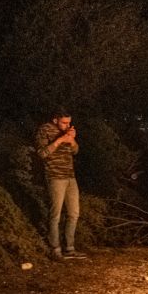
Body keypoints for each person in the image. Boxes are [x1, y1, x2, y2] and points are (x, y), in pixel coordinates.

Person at [35, 108, 85, 259]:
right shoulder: (45, 129)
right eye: (64, 122)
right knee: (55, 214)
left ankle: (69, 248)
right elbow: (42, 153)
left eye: (69, 122)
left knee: (74, 213)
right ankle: (55, 249)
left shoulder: (68, 131)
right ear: (55, 120)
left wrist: (72, 140)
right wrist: (60, 140)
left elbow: (75, 151)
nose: (67, 125)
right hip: (55, 176)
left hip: (70, 176)